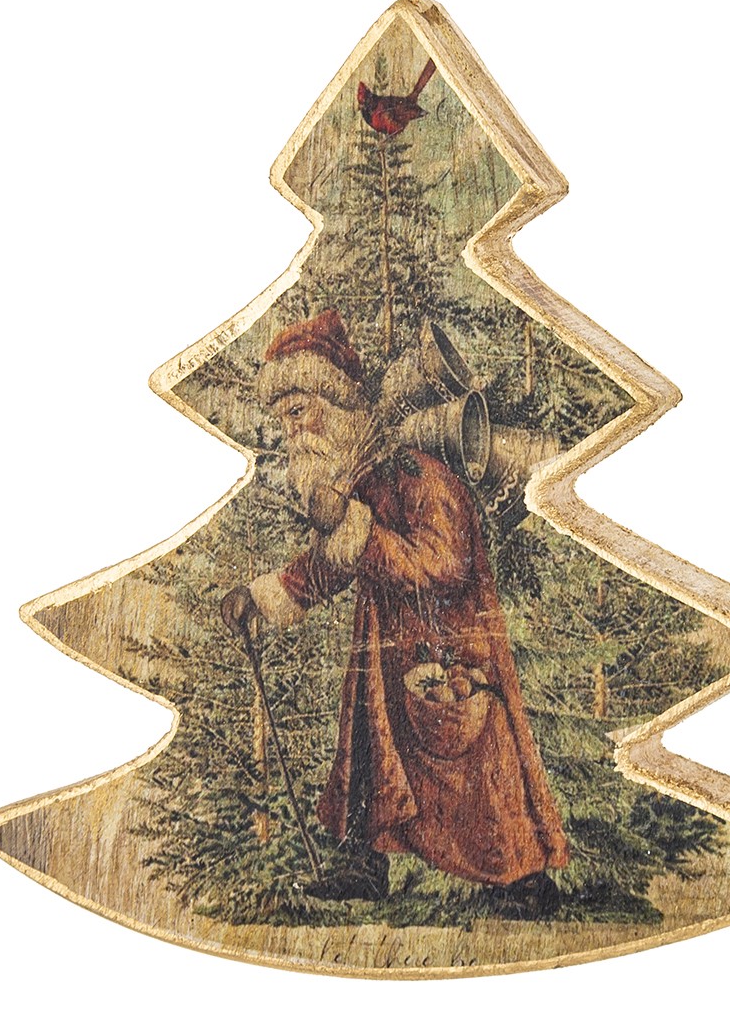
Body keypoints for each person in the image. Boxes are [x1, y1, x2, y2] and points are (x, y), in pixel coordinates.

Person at [221, 310, 568, 914]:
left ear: (336, 403)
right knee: (369, 755)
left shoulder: (419, 473)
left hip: (448, 643)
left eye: (299, 412)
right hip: (383, 649)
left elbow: (444, 565)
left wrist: (358, 531)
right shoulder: (360, 478)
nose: (292, 432)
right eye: (283, 419)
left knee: (472, 767)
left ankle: (524, 883)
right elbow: (336, 561)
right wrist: (264, 593)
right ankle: (363, 868)